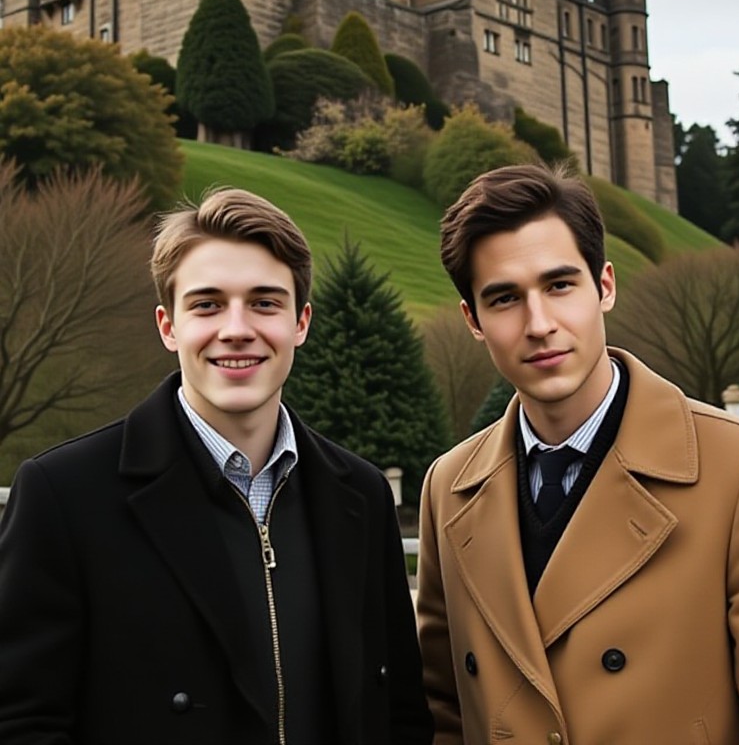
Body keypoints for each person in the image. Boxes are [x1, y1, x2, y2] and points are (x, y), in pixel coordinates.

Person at [0, 187, 432, 745]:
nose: (236, 328)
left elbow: (399, 712)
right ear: (168, 326)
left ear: (300, 323)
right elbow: (20, 724)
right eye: (207, 304)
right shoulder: (65, 494)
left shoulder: (361, 494)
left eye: (264, 302)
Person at [417, 162, 739, 744]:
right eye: (504, 299)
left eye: (559, 285)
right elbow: (442, 711)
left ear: (604, 285)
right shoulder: (447, 485)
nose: (539, 324)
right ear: (472, 321)